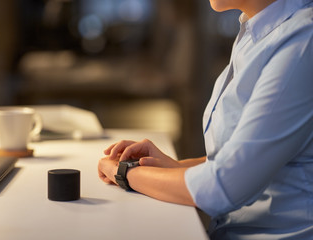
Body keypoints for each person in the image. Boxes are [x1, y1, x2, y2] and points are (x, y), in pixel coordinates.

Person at [98, 0, 313, 239]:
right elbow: (242, 157)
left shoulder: (302, 43)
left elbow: (224, 186)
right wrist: (173, 167)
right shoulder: (259, 31)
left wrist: (126, 173)